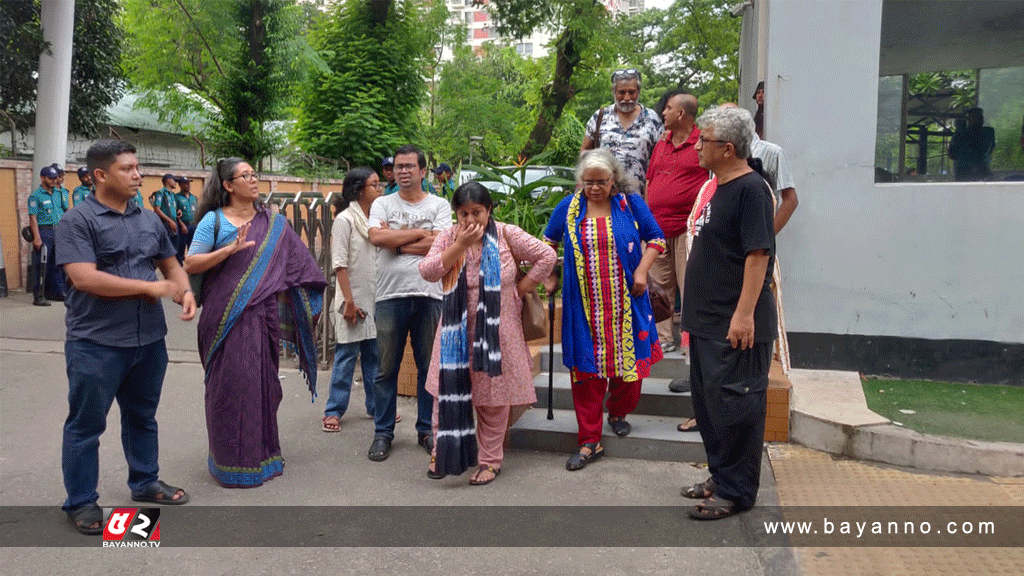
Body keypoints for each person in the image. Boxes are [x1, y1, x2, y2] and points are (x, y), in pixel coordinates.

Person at [56, 139, 196, 535]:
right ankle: (81, 501)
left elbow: (171, 263)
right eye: (127, 168)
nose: (138, 175)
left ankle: (145, 481)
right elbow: (84, 277)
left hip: (148, 339)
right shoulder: (77, 221)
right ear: (101, 175)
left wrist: (184, 291)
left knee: (142, 416)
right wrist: (149, 289)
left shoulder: (148, 220)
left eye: (138, 167)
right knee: (86, 425)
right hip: (96, 342)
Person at [183, 158, 327, 488]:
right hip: (224, 320)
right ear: (228, 186)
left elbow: (300, 265)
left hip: (263, 319)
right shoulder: (214, 222)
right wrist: (229, 250)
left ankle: (263, 457)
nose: (253, 179)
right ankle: (230, 463)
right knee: (231, 389)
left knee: (262, 387)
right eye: (244, 175)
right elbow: (191, 263)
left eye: (254, 174)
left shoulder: (273, 223)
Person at [420, 182, 556, 484]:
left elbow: (546, 256)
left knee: (493, 397)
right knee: (446, 391)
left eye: (477, 213)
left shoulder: (507, 234)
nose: (470, 220)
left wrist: (521, 288)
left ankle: (490, 461)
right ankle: (443, 451)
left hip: (498, 330)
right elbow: (428, 271)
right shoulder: (448, 238)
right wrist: (459, 246)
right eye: (463, 213)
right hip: (455, 330)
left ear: (489, 210)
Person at [542, 148, 665, 471]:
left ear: (614, 180)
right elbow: (546, 244)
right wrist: (550, 276)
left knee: (630, 369)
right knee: (586, 372)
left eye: (601, 181)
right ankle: (589, 440)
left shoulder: (629, 204)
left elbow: (656, 239)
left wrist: (641, 271)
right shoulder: (568, 208)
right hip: (583, 307)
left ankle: (619, 411)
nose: (594, 188)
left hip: (627, 301)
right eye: (588, 182)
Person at [681, 107, 776, 520]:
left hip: (733, 323)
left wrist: (743, 315)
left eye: (704, 140)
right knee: (711, 407)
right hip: (706, 321)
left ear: (727, 148)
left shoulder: (752, 190)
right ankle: (721, 475)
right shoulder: (717, 186)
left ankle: (736, 491)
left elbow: (758, 255)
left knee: (737, 408)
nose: (697, 146)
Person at [366, 144, 452, 462]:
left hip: (429, 295)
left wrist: (398, 242)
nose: (403, 171)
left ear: (422, 171)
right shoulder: (382, 203)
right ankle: (383, 434)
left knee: (428, 368)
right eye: (399, 166)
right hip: (389, 296)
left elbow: (442, 244)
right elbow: (377, 238)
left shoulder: (440, 204)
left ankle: (427, 430)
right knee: (385, 369)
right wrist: (421, 235)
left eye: (410, 166)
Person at [646, 90, 707, 369]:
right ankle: (663, 338)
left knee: (690, 285)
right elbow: (651, 179)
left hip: (687, 228)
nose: (664, 113)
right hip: (657, 228)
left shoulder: (701, 143)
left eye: (668, 108)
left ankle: (689, 344)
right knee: (660, 288)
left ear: (681, 113)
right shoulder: (662, 142)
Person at [322, 167, 383, 432]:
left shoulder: (376, 222)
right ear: (360, 190)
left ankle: (375, 406)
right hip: (351, 299)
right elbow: (340, 264)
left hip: (373, 297)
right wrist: (348, 300)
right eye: (374, 185)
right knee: (347, 355)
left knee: (373, 355)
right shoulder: (345, 220)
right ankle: (334, 410)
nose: (379, 190)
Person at [581, 68, 663, 193]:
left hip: (638, 198)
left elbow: (660, 158)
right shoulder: (600, 117)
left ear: (639, 91)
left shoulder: (652, 119)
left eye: (632, 92)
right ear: (613, 91)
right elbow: (585, 151)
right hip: (603, 197)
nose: (627, 97)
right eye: (621, 92)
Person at [27, 165, 66, 305]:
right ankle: (38, 296)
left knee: (57, 263)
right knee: (41, 264)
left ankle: (55, 293)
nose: (54, 180)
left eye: (55, 178)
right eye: (50, 178)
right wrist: (36, 237)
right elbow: (33, 218)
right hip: (45, 231)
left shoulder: (57, 193)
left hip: (58, 230)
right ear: (42, 178)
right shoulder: (35, 196)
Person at [948, 107, 996, 181]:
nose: (980, 120)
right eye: (975, 118)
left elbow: (988, 149)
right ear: (968, 120)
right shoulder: (960, 135)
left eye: (980, 118)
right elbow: (951, 154)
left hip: (981, 171)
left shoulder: (988, 133)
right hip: (964, 173)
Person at [150, 174, 182, 251]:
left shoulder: (172, 194)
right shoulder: (161, 193)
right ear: (168, 180)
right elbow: (157, 210)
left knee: (176, 247)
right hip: (166, 224)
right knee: (167, 249)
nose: (176, 183)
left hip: (174, 223)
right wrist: (169, 221)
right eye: (174, 180)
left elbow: (173, 208)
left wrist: (178, 211)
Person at [174, 176, 198, 264]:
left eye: (189, 183)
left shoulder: (194, 198)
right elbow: (174, 213)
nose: (188, 185)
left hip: (194, 226)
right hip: (183, 226)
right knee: (181, 249)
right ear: (180, 185)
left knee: (193, 249)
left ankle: (192, 269)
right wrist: (181, 224)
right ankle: (179, 270)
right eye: (185, 183)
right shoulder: (176, 197)